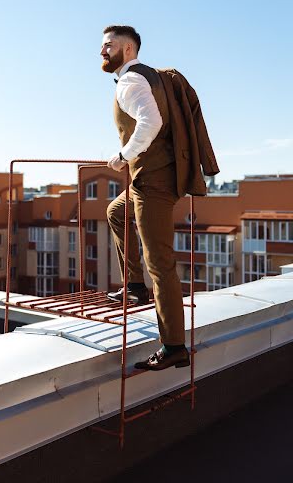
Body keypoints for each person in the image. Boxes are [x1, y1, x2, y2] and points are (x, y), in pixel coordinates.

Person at [100, 24, 219, 371]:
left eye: (108, 45)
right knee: (116, 211)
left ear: (127, 49)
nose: (102, 51)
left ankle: (173, 346)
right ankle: (134, 284)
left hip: (152, 181)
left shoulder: (131, 81)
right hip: (154, 177)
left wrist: (123, 154)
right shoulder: (151, 77)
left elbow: (149, 122)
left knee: (161, 263)